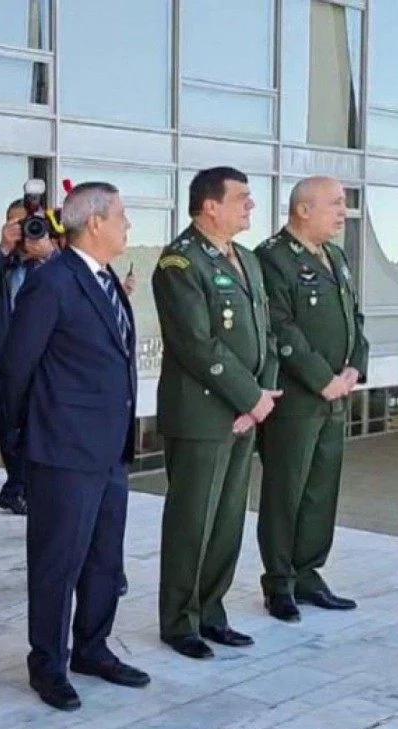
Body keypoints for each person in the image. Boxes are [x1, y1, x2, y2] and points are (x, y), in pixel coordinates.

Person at [1, 182, 149, 711]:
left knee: (104, 559)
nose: (128, 226)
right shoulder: (53, 283)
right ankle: (48, 662)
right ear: (95, 222)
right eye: (123, 216)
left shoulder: (106, 278)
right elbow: (16, 368)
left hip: (110, 449)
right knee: (56, 564)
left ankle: (93, 647)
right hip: (62, 451)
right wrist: (24, 442)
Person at [153, 166, 279, 660]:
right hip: (203, 413)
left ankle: (212, 611)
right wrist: (250, 398)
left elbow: (265, 334)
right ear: (210, 206)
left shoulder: (245, 258)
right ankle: (179, 619)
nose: (250, 206)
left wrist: (260, 398)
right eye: (242, 199)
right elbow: (196, 344)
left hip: (246, 410)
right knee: (193, 519)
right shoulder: (180, 263)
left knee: (227, 517)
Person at [255, 176, 368, 620]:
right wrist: (323, 379)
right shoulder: (273, 259)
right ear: (303, 210)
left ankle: (308, 573)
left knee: (321, 488)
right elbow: (280, 326)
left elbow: (353, 316)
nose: (344, 212)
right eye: (336, 204)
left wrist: (355, 366)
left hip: (336, 394)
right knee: (288, 489)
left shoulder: (335, 256)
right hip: (297, 399)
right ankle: (279, 582)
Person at [0, 201, 57, 514]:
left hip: (47, 373)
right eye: (18, 225)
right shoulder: (2, 269)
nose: (26, 232)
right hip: (8, 373)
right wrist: (3, 249)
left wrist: (49, 254)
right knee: (11, 438)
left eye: (32, 224)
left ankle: (24, 490)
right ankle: (17, 488)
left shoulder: (57, 263)